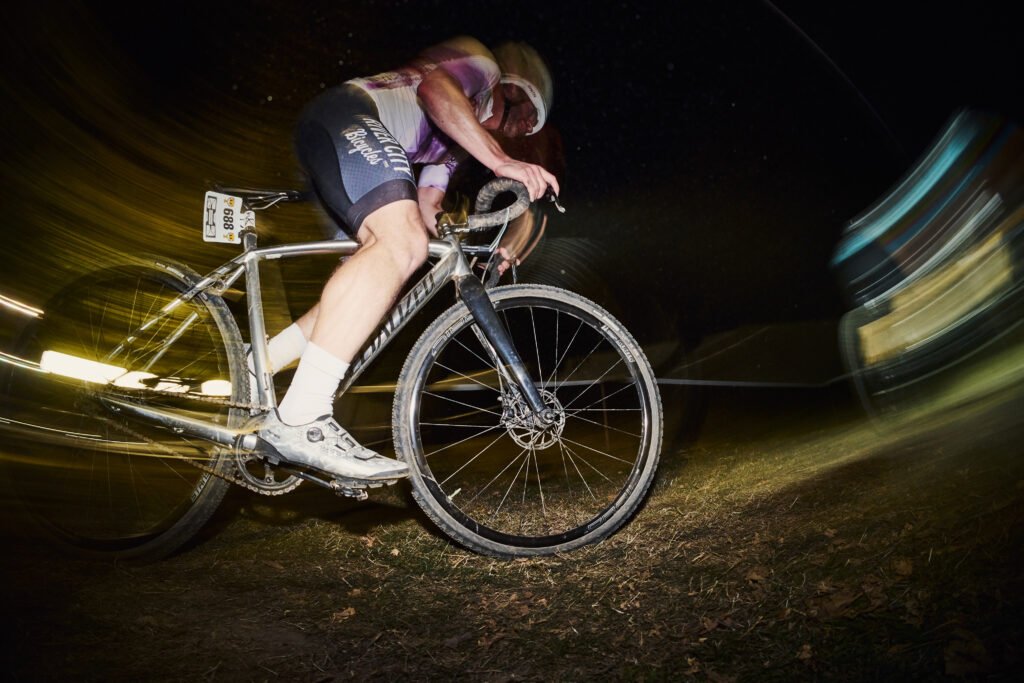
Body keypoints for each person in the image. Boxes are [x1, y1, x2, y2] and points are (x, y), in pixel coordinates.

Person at [255, 36, 560, 482]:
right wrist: (500, 163)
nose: (520, 132)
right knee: (399, 246)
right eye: (526, 118)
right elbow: (435, 90)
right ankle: (301, 417)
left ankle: (255, 368)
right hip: (348, 116)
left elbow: (427, 207)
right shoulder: (482, 68)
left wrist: (472, 252)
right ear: (514, 91)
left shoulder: (451, 145)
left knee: (364, 293)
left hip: (338, 137)